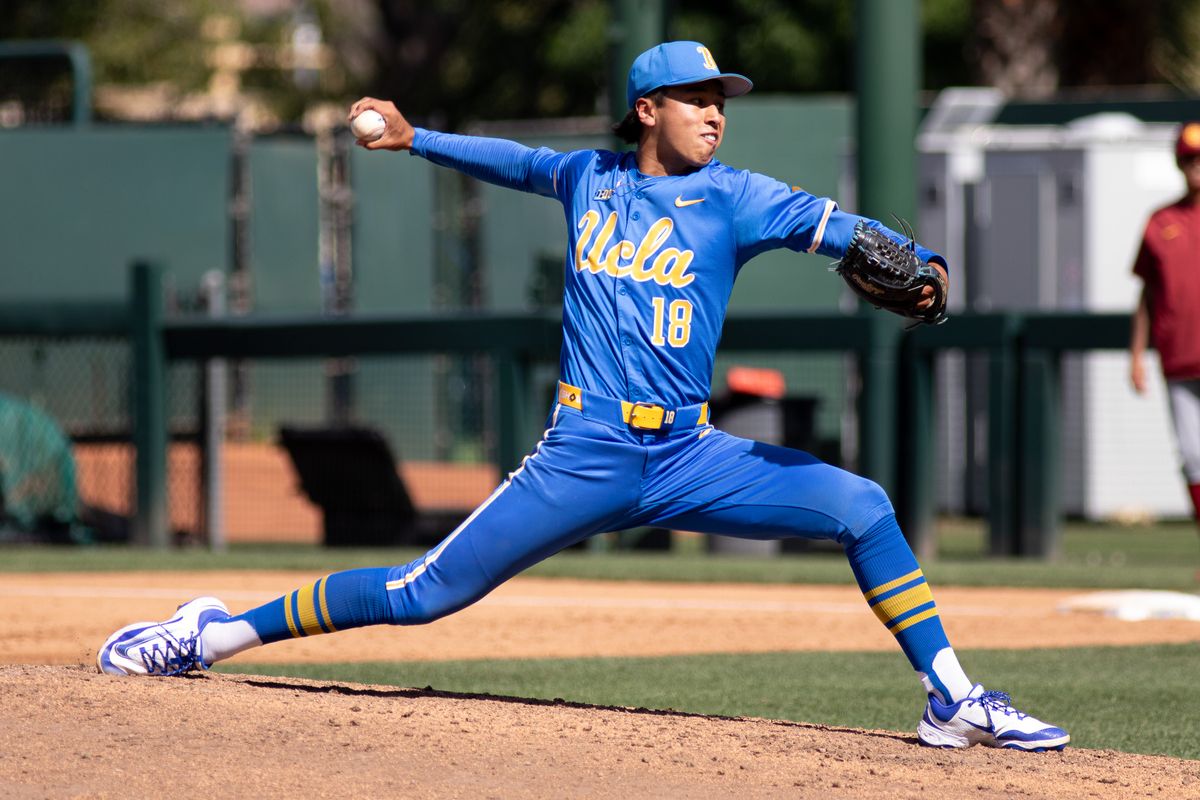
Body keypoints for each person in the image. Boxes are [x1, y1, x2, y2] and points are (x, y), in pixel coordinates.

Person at [97, 41, 1068, 751]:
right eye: (695, 98)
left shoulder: (738, 195)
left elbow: (851, 230)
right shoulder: (588, 178)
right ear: (647, 109)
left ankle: (952, 696)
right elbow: (510, 162)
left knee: (865, 505)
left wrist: (923, 262)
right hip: (586, 452)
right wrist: (412, 137)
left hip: (692, 453)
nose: (715, 112)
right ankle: (212, 630)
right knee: (423, 593)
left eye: (720, 98)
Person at [1130, 122, 1200, 540]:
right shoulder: (1161, 221)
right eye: (1190, 160)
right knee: (1194, 457)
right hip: (1179, 358)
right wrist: (1136, 355)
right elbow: (1145, 295)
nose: (1197, 168)